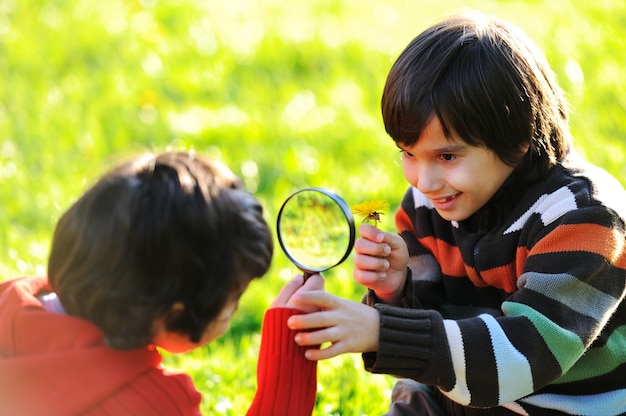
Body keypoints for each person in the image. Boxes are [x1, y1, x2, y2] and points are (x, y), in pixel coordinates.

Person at [286, 11, 626, 416]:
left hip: (556, 407)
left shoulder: (583, 218)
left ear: (516, 140)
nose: (422, 181)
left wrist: (380, 331)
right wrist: (396, 292)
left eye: (446, 156)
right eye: (408, 154)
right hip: (461, 399)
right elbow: (432, 343)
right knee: (417, 394)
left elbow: (523, 356)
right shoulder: (429, 205)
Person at [0, 150, 321, 416]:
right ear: (173, 313)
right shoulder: (154, 402)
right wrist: (290, 363)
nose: (233, 311)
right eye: (232, 301)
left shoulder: (7, 300)